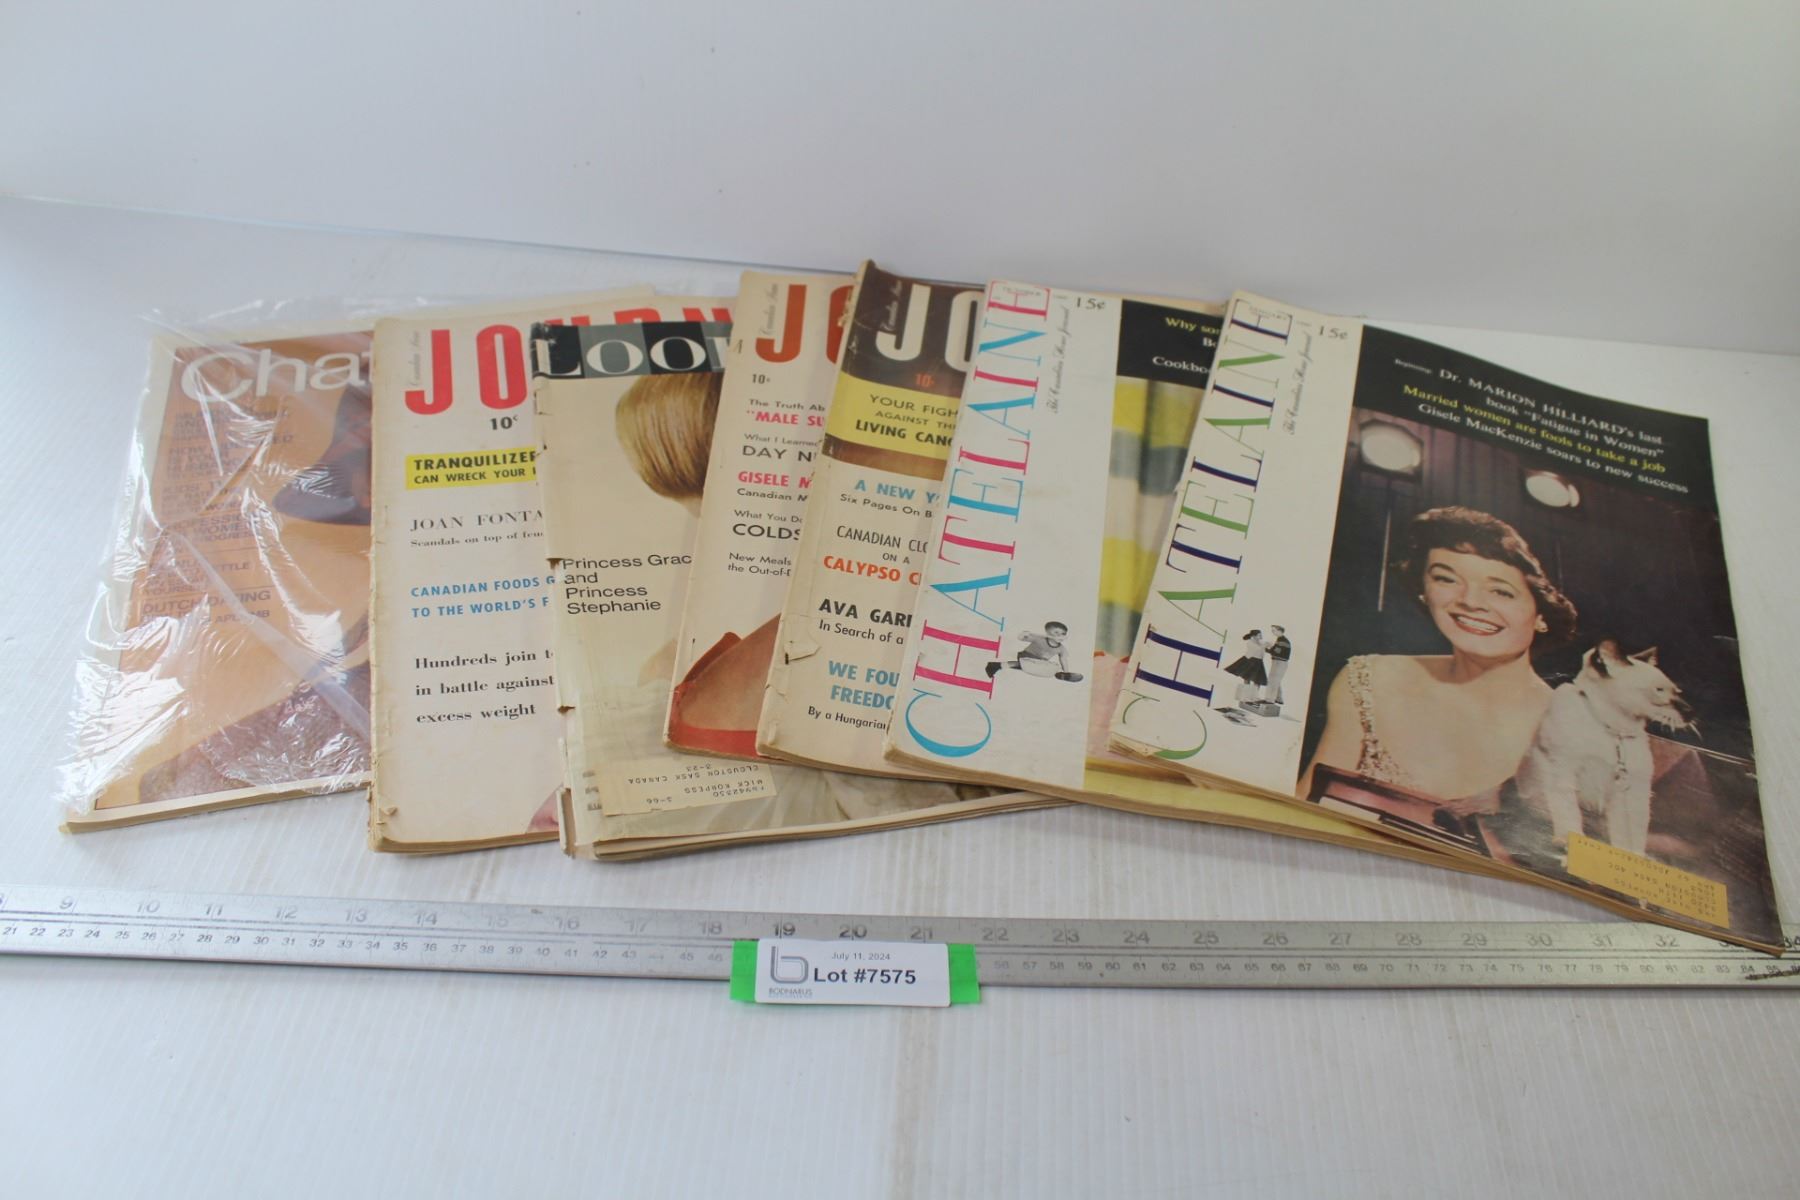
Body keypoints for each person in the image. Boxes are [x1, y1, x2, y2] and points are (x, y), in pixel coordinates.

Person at [1301, 506, 1578, 804]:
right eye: (1446, 579)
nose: (1470, 601)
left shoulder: (1571, 726)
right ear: (1424, 591)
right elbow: (1307, 807)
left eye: (1501, 591)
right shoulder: (1372, 680)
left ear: (1542, 614)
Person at [1222, 629, 1268, 704]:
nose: (1261, 636)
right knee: (1247, 678)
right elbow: (1257, 650)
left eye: (1261, 634)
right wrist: (1264, 646)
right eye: (1259, 635)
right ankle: (1246, 696)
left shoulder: (1261, 642)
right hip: (1251, 661)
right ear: (1254, 636)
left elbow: (1265, 649)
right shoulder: (1250, 642)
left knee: (1258, 680)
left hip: (1259, 662)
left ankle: (1254, 696)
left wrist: (1267, 646)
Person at [1264, 625, 1293, 704]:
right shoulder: (1280, 640)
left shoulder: (1282, 641)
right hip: (1279, 662)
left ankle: (1270, 699)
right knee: (1276, 680)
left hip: (1279, 662)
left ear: (1279, 631)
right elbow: (1276, 651)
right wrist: (1270, 648)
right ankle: (1279, 699)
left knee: (1273, 681)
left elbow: (1276, 652)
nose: (1272, 632)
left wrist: (1266, 647)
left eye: (1274, 630)